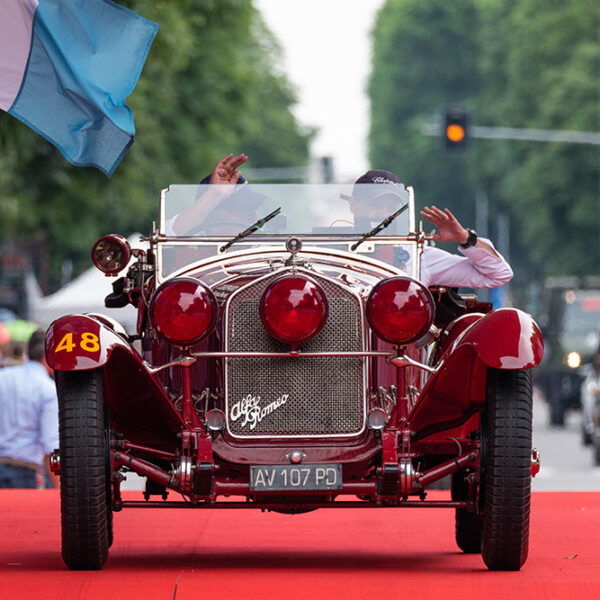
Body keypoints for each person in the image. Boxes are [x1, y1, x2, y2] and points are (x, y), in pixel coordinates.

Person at [174, 154, 512, 289]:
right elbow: (176, 236)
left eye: (390, 207)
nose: (382, 215)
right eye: (372, 205)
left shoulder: (417, 255)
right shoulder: (312, 248)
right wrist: (212, 200)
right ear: (352, 205)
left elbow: (498, 275)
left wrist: (466, 239)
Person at [0, 329, 59, 489]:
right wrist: (58, 491)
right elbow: (50, 446)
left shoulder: (3, 376)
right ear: (47, 358)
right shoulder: (48, 389)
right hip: (25, 472)